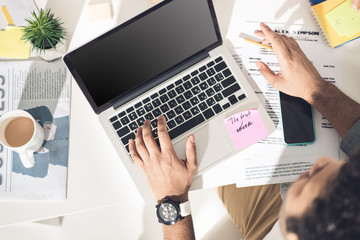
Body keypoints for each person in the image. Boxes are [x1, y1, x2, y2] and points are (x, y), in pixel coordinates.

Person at [128, 22, 360, 240]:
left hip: (261, 223)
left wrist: (172, 202)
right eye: (341, 170)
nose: (319, 164)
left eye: (306, 189)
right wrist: (317, 90)